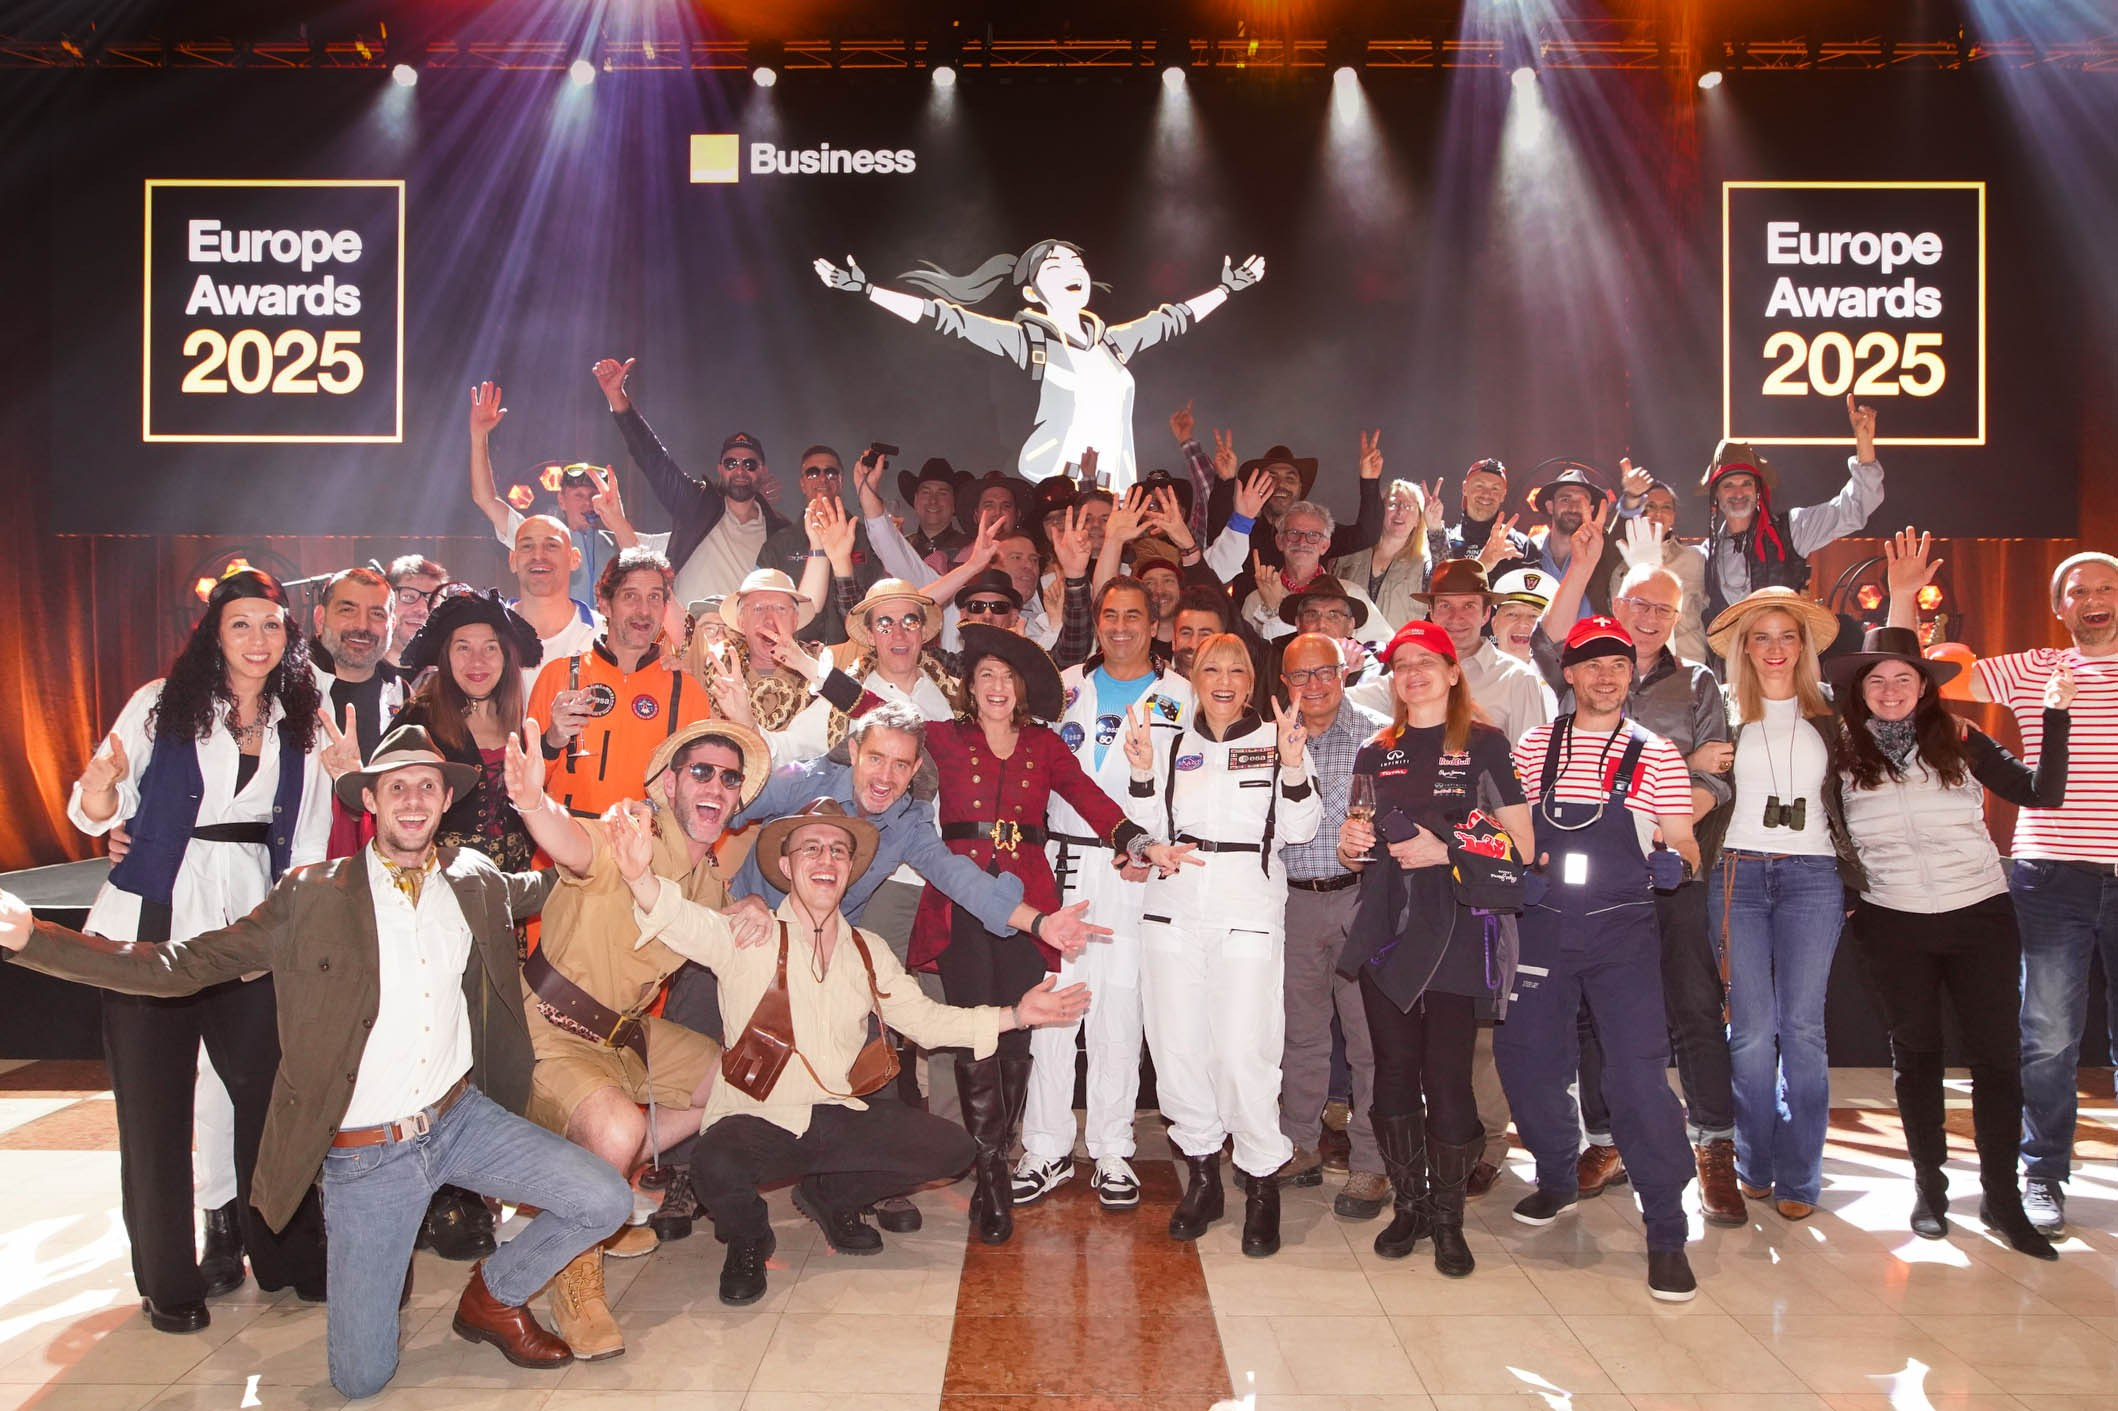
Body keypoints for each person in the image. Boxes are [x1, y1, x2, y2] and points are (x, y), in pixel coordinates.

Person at [1, 726, 634, 1398]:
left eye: (427, 785)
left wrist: (572, 819)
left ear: (446, 798)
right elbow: (179, 964)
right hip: (368, 1156)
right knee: (362, 1376)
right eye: (397, 787)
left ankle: (494, 1293)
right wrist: (35, 939)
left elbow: (572, 878)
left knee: (604, 1196)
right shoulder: (310, 895)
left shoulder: (473, 880)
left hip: (459, 1119)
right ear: (372, 801)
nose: (413, 801)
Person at [619, 797, 1092, 1304]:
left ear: (849, 869)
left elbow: (927, 1022)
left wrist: (1017, 1016)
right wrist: (639, 877)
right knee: (715, 1161)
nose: (826, 861)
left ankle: (829, 1196)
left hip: (836, 1115)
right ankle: (749, 1239)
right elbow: (679, 919)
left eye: (839, 852)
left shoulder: (868, 949)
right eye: (812, 850)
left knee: (952, 1148)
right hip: (756, 1118)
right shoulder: (746, 932)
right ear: (786, 866)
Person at [60, 568, 344, 1332]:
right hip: (151, 920)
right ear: (215, 633)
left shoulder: (302, 716)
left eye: (272, 625)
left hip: (249, 922)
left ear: (291, 635)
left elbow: (310, 833)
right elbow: (98, 804)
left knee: (266, 1095)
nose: (258, 639)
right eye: (242, 624)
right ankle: (167, 1278)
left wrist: (296, 923)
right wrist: (98, 791)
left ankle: (282, 1253)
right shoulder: (161, 702)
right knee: (154, 1107)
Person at [500, 717, 775, 1358]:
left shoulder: (708, 874)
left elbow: (708, 922)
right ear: (669, 783)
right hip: (552, 1030)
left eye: (730, 777)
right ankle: (576, 1277)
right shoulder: (623, 834)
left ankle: (598, 1198)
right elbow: (570, 843)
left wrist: (752, 908)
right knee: (617, 1128)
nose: (716, 785)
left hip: (627, 1035)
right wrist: (533, 803)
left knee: (742, 1076)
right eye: (701, 771)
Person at [909, 627, 1192, 1240]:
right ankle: (989, 1173)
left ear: (1023, 690)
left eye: (1007, 679)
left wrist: (1142, 843)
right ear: (970, 686)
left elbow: (1093, 802)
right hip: (960, 897)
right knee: (972, 1033)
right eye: (986, 676)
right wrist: (815, 671)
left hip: (1031, 898)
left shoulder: (1044, 744)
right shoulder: (941, 737)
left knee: (1019, 1034)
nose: (997, 688)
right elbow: (873, 717)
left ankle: (1005, 1153)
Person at [1826, 611, 2069, 1260]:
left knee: (1997, 1060)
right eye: (1877, 679)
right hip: (1890, 921)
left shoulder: (1962, 738)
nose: (1890, 689)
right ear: (1860, 688)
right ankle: (1930, 1190)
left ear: (1925, 685)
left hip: (1979, 915)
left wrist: (2054, 716)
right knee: (1917, 1058)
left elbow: (2041, 792)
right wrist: (1854, 903)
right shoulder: (1840, 751)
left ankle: (2002, 1199)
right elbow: (1825, 832)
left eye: (1903, 677)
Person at [1534, 520, 1745, 1226]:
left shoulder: (1700, 682)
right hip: (1590, 884)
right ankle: (1602, 1139)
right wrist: (1583, 563)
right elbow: (1546, 639)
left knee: (1691, 1007)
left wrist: (1662, 812)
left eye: (1664, 608)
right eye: (1638, 605)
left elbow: (1722, 779)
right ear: (1616, 611)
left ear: (1678, 618)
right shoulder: (1588, 667)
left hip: (1670, 874)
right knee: (1594, 1013)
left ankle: (1714, 1144)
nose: (1650, 618)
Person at [1503, 616, 1703, 1301]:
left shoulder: (1657, 754)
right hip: (1542, 923)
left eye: (1617, 663)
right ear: (1569, 674)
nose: (1605, 674)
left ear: (1631, 673)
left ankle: (1667, 1229)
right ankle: (1558, 1176)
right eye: (1590, 663)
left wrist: (1676, 859)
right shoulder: (1533, 746)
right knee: (1527, 1060)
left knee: (1638, 1079)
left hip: (1623, 930)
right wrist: (1510, 868)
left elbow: (1683, 838)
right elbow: (1511, 830)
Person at [1335, 620, 1535, 1275]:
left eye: (1428, 660)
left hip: (1456, 930)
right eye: (1401, 662)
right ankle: (1410, 1206)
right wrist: (1348, 846)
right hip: (1387, 927)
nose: (1413, 671)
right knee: (1392, 1073)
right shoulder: (1374, 749)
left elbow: (1525, 849)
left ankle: (1449, 1220)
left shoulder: (1484, 744)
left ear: (1454, 672)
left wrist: (1447, 847)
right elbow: (1357, 831)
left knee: (1448, 1080)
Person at [1121, 632, 1320, 1257]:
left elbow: (1300, 827)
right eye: (1211, 668)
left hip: (1246, 912)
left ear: (1252, 682)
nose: (1224, 679)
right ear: (1193, 676)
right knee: (1177, 1049)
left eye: (1237, 669)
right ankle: (1203, 1174)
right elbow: (1147, 828)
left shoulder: (1277, 740)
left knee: (1241, 1052)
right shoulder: (1172, 744)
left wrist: (1292, 763)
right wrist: (1142, 769)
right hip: (1173, 908)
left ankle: (1262, 1179)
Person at [1953, 544, 2118, 1234]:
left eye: (2105, 588)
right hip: (2052, 873)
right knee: (2049, 1035)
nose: (2093, 598)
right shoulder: (2034, 667)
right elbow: (1936, 673)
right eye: (2078, 591)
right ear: (2059, 607)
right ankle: (2042, 1173)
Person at [814, 239, 1265, 490]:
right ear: (1032, 292)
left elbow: (1174, 320)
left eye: (1075, 262)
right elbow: (948, 320)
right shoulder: (1028, 339)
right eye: (1054, 265)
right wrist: (868, 290)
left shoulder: (1111, 342)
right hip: (1052, 492)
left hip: (1117, 496)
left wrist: (1227, 289)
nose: (1071, 269)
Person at [1019, 578, 1197, 1208]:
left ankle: (1113, 1149)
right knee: (1052, 1012)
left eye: (1134, 615)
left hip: (1133, 869)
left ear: (1155, 625)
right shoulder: (1064, 686)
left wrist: (1158, 848)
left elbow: (1188, 788)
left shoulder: (1182, 696)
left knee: (1119, 1013)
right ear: (1096, 622)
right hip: (1060, 860)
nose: (1120, 626)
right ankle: (1044, 1147)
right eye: (1109, 615)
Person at [387, 586, 546, 1263]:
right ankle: (440, 1193)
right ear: (444, 655)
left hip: (506, 910)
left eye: (490, 647)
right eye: (463, 646)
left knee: (492, 1041)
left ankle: (480, 1185)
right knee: (440, 1044)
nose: (478, 659)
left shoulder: (521, 728)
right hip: (437, 906)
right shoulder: (416, 725)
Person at [1705, 585, 1844, 1221]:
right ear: (1743, 647)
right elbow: (1676, 780)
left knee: (1804, 1029)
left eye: (1787, 635)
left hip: (1814, 876)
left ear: (1804, 645)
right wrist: (1689, 758)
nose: (1774, 648)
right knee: (1753, 1031)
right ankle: (1752, 1163)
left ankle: (1801, 1177)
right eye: (1760, 636)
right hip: (1737, 873)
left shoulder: (1832, 714)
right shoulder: (1722, 710)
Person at [1272, 633, 1394, 1219]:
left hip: (1360, 902)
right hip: (1292, 903)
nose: (1315, 686)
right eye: (1301, 676)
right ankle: (1298, 1144)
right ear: (1284, 682)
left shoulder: (1379, 735)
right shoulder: (1266, 739)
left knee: (1369, 1039)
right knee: (1299, 1034)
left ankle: (1371, 1162)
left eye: (1326, 673)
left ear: (1345, 673)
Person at [592, 356, 794, 607]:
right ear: (720, 468)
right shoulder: (696, 504)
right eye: (732, 463)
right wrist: (617, 399)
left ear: (762, 471)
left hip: (745, 639)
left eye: (749, 464)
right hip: (686, 635)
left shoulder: (779, 529)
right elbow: (653, 459)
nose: (740, 470)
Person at [528, 548, 710, 819]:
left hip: (646, 846)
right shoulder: (559, 676)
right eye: (630, 596)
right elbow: (527, 785)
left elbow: (697, 791)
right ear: (604, 603)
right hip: (566, 843)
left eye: (654, 598)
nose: (644, 610)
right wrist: (553, 740)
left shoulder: (686, 691)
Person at [1692, 394, 1886, 637]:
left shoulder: (1792, 529)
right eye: (1729, 485)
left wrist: (1864, 445)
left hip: (1787, 659)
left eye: (1746, 484)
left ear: (1758, 491)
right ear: (1716, 497)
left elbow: (1854, 508)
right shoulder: (1705, 555)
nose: (1738, 492)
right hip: (1730, 666)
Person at [468, 381, 634, 605]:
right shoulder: (544, 540)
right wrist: (479, 438)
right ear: (561, 500)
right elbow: (485, 499)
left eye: (591, 496)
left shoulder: (620, 543)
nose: (586, 503)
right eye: (578, 495)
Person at [1352, 559, 1553, 744]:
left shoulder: (1517, 679)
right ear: (1431, 612)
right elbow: (1338, 702)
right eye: (1445, 605)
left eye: (1469, 606)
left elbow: (1532, 766)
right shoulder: (1408, 675)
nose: (1456, 617)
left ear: (1486, 614)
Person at [754, 444, 883, 643]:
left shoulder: (867, 539)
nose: (823, 479)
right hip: (795, 657)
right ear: (802, 483)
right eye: (813, 473)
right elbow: (760, 609)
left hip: (858, 656)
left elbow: (881, 603)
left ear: (841, 481)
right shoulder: (778, 545)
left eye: (831, 473)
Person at [1609, 464, 1710, 665]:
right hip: (1636, 667)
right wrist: (1630, 499)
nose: (1658, 514)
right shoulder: (1621, 559)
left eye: (1666, 508)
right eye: (1650, 507)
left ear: (1673, 516)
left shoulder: (1695, 559)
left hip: (1686, 664)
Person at [310, 567, 407, 761]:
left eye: (377, 614)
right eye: (347, 610)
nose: (362, 625)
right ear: (320, 619)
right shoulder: (287, 688)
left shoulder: (402, 695)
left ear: (392, 625)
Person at [508, 514, 603, 687]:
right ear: (513, 560)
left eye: (551, 546)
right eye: (527, 546)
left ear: (574, 559)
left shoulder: (603, 634)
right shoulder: (490, 632)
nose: (538, 555)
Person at [1333, 477, 1438, 632]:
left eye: (1408, 506)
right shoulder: (1348, 555)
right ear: (1379, 511)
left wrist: (1435, 529)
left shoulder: (1425, 564)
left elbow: (1450, 585)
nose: (1400, 511)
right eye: (1393, 504)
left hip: (1399, 653)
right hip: (1348, 651)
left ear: (1418, 519)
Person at [1525, 466, 1614, 617]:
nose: (1573, 508)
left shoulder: (1603, 555)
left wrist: (1631, 502)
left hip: (1588, 640)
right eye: (1565, 499)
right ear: (1550, 506)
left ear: (1591, 509)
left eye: (1581, 501)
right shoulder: (1528, 552)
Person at [1426, 457, 1533, 580]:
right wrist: (1483, 564)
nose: (1487, 494)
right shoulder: (1443, 542)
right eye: (1479, 486)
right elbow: (1435, 591)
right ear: (1465, 488)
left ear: (1503, 495)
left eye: (1495, 488)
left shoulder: (1521, 545)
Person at [897, 457, 972, 572]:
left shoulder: (971, 551)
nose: (933, 500)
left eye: (942, 494)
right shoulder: (899, 548)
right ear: (916, 501)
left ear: (954, 503)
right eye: (926, 492)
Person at [384, 555, 449, 670]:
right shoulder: (357, 672)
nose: (422, 609)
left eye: (433, 600)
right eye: (408, 597)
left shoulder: (453, 679)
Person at [1488, 567, 1554, 663]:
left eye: (1534, 616)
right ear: (1495, 625)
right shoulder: (1468, 674)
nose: (1522, 623)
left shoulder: (1567, 676)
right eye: (1512, 614)